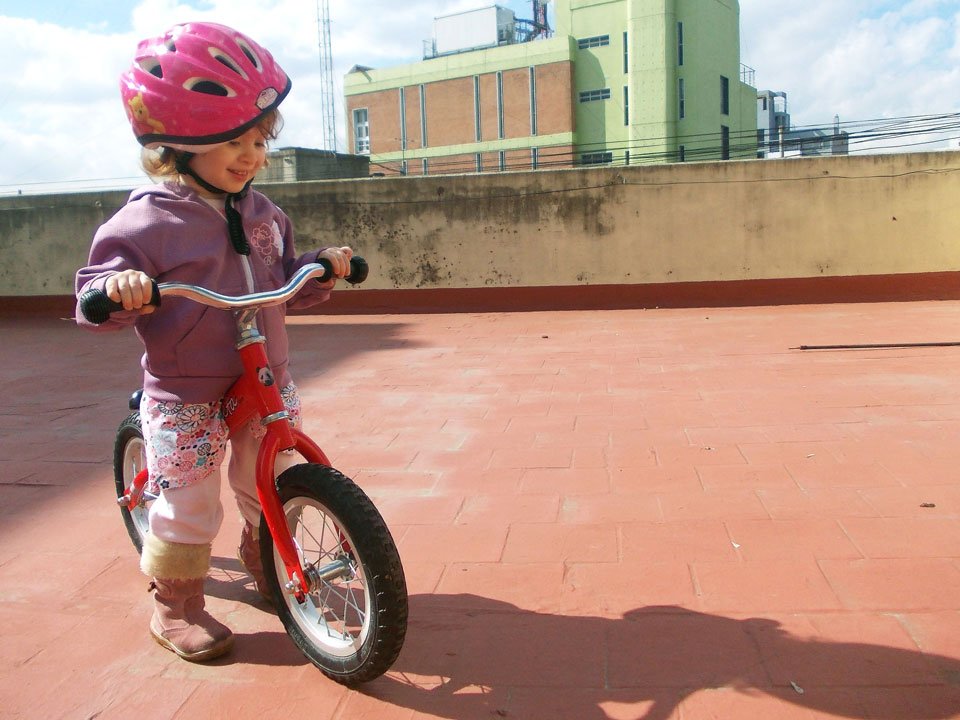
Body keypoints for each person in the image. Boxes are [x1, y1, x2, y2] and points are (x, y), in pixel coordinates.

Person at [75, 21, 353, 662]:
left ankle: (265, 551)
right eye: (233, 141)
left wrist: (321, 265)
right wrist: (119, 289)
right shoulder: (146, 220)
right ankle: (174, 605)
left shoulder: (264, 213)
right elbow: (93, 293)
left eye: (259, 138)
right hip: (186, 387)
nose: (252, 154)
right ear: (177, 141)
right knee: (189, 499)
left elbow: (282, 279)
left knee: (276, 473)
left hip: (264, 372)